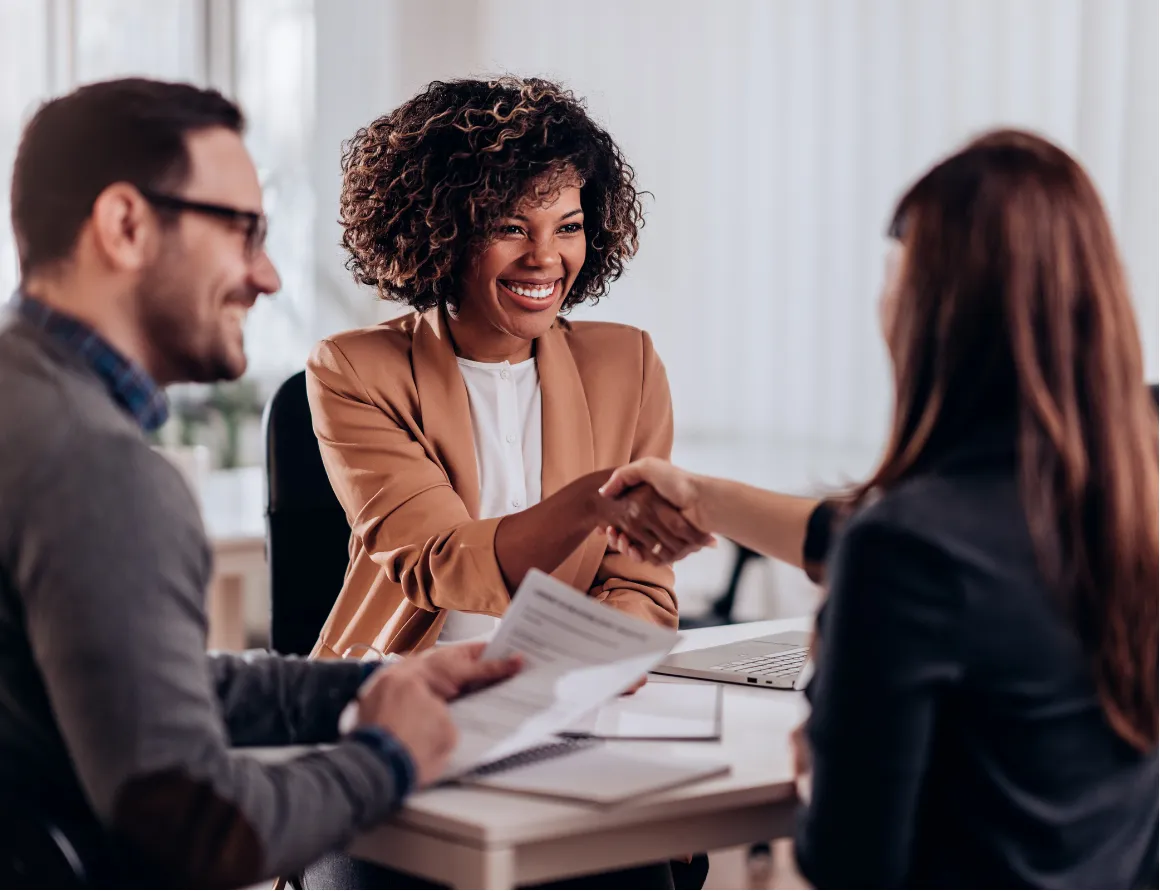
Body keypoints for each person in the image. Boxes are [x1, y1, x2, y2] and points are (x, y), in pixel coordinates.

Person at [0, 77, 522, 888]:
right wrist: (387, 756)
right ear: (125, 225)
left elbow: (142, 685)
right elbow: (195, 829)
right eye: (243, 233)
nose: (269, 275)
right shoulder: (96, 467)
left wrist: (376, 681)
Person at [603, 130, 1159, 888]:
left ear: (935, 315)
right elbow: (882, 543)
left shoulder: (911, 547)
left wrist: (819, 759)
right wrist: (703, 496)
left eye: (897, 274)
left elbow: (847, 862)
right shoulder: (1127, 495)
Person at [306, 76, 709, 659]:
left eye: (568, 227)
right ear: (441, 232)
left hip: (565, 690)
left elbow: (637, 582)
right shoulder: (356, 370)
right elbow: (438, 561)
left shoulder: (630, 365)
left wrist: (596, 663)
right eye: (510, 227)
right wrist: (591, 502)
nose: (546, 257)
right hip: (402, 686)